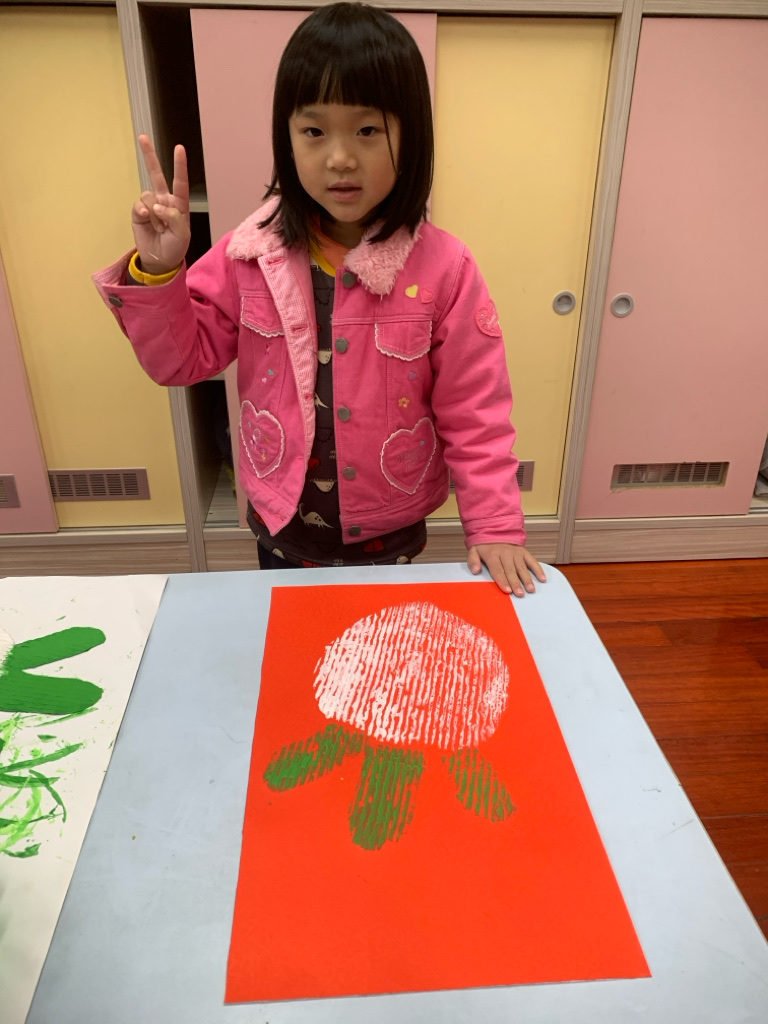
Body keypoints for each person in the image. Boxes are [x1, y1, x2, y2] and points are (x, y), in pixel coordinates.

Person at [93, 1, 546, 597]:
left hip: (391, 530)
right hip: (283, 525)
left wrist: (495, 525)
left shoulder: (446, 268)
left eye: (367, 130)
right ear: (287, 138)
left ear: (412, 135)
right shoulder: (249, 253)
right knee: (295, 645)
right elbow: (179, 362)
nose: (340, 157)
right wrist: (159, 269)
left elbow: (476, 410)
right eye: (314, 131)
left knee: (379, 647)